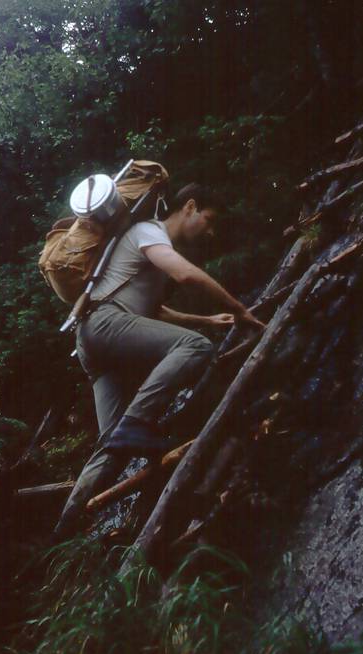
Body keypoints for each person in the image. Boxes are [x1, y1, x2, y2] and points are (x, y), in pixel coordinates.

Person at [52, 183, 263, 542]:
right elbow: (187, 275)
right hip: (107, 324)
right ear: (190, 207)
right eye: (209, 221)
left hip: (93, 340)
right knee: (196, 348)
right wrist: (239, 310)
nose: (210, 232)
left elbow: (152, 312)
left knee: (113, 445)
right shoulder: (148, 231)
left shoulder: (142, 244)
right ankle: (137, 422)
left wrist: (209, 321)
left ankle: (63, 531)